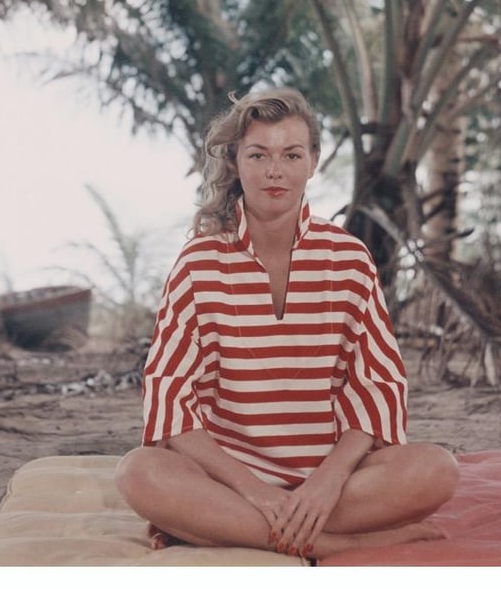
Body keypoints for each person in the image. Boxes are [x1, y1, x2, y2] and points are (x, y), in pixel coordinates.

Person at [115, 87, 459, 561]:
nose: (275, 170)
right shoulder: (198, 262)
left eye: (291, 154)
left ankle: (234, 528)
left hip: (331, 487)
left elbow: (377, 388)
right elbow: (171, 399)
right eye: (258, 154)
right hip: (230, 482)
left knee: (436, 470)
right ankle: (334, 542)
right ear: (236, 161)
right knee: (139, 472)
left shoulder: (350, 258)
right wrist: (256, 491)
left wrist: (326, 482)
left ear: (313, 161)